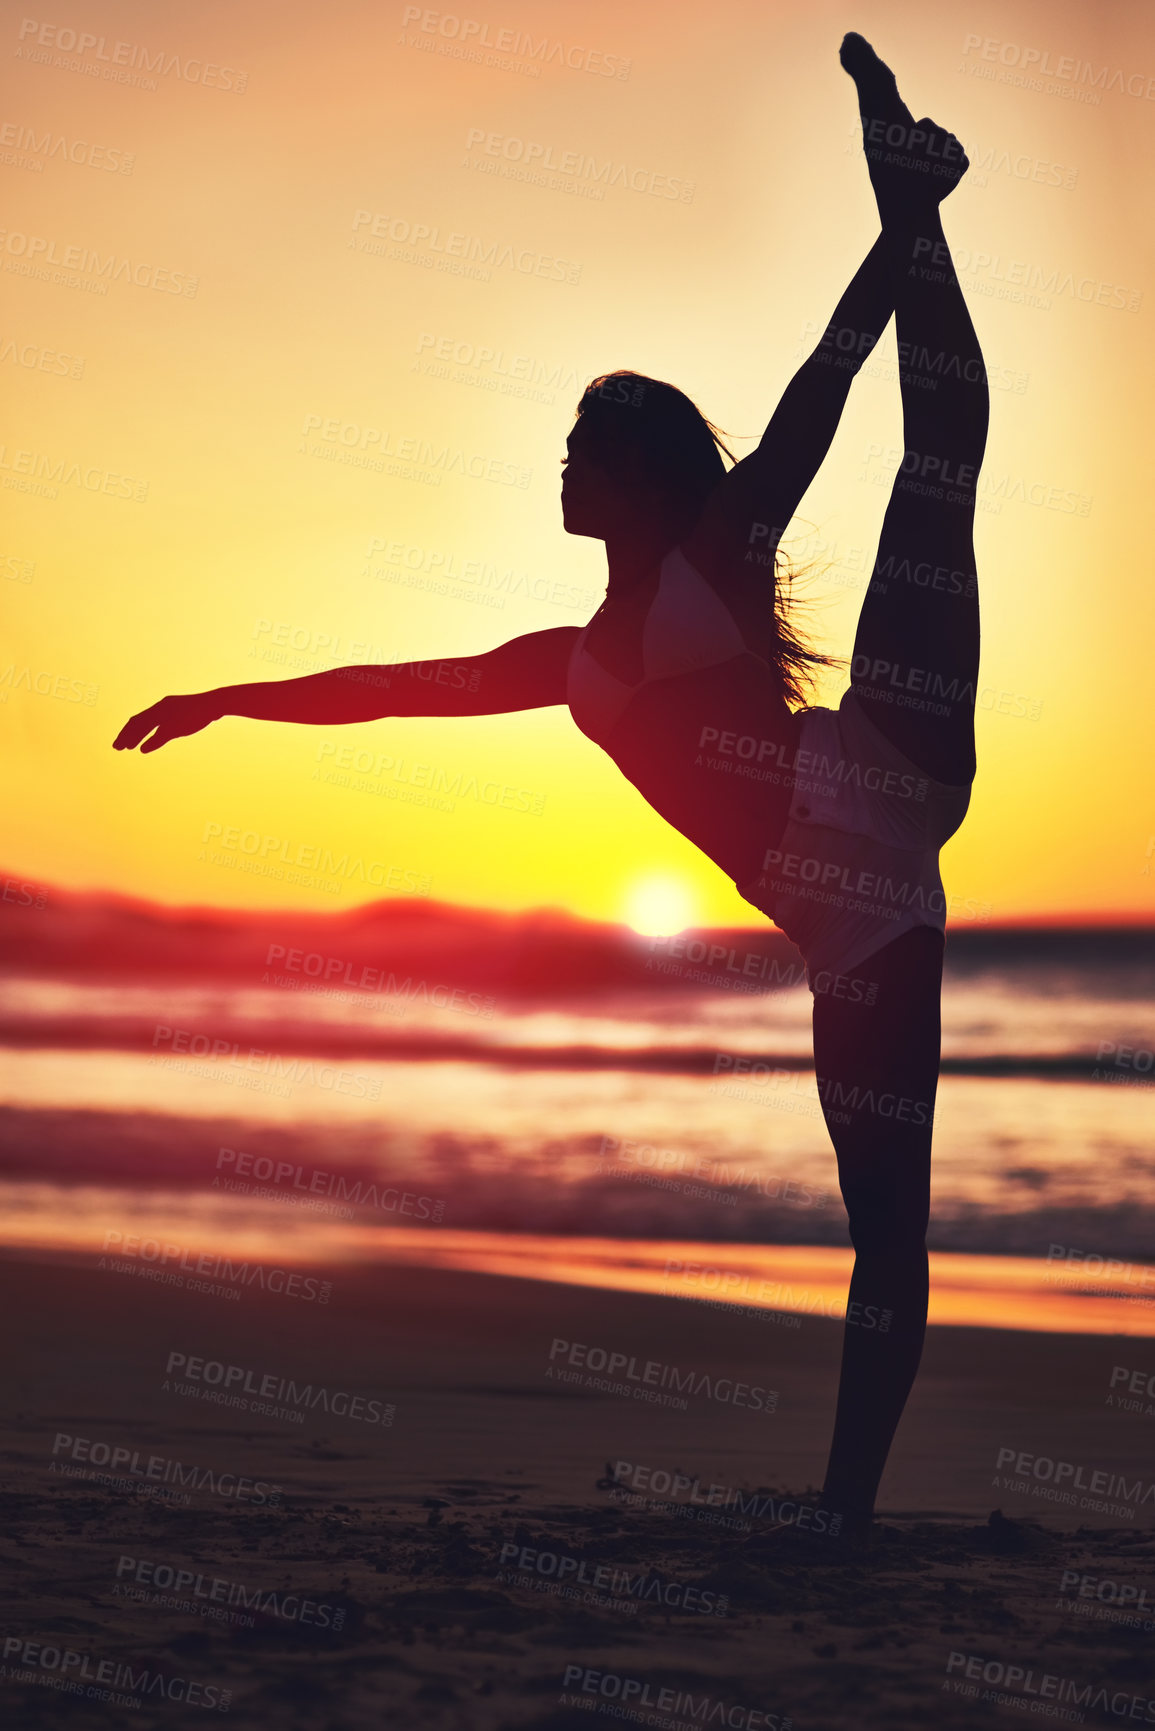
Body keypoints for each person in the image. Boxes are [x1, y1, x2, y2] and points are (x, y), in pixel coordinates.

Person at [115, 35, 989, 1546]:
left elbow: (821, 391)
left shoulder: (715, 550)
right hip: (861, 923)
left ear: (644, 475)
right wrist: (223, 699)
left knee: (941, 456)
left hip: (889, 763)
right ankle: (847, 1511)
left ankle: (916, 186)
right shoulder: (575, 662)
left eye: (586, 445)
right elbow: (388, 685)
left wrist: (896, 232)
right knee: (884, 1230)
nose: (564, 464)